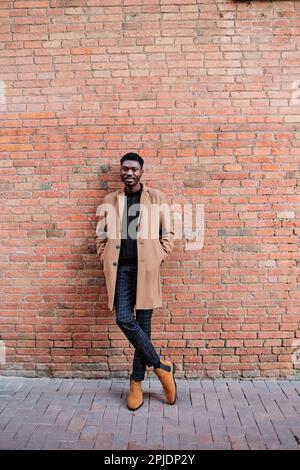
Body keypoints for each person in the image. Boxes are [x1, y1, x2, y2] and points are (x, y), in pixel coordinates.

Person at [95, 152, 177, 411]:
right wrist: (103, 253)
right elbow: (101, 235)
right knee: (123, 318)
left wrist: (158, 257)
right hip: (121, 271)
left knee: (143, 325)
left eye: (134, 169)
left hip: (146, 271)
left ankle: (136, 383)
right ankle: (162, 367)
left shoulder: (156, 198)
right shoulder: (111, 200)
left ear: (142, 172)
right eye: (125, 169)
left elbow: (169, 233)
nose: (129, 173)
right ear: (121, 172)